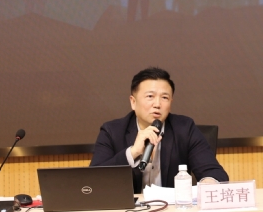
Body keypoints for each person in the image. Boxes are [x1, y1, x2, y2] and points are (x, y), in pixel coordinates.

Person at [90, 67, 228, 192]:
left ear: (171, 103)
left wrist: (209, 182)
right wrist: (133, 152)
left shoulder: (184, 128)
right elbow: (93, 181)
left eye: (164, 98)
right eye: (150, 96)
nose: (157, 104)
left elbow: (215, 173)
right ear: (133, 102)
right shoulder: (112, 131)